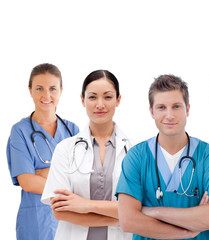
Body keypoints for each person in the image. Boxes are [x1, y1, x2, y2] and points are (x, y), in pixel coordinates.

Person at [116, 74, 209, 240]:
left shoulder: (208, 156)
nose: (169, 115)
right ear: (151, 112)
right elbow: (128, 220)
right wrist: (186, 231)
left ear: (188, 109)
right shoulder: (136, 157)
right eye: (161, 107)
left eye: (176, 106)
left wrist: (153, 211)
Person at [41, 70, 133, 240]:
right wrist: (120, 218)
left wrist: (85, 205)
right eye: (92, 97)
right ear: (82, 100)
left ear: (118, 100)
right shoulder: (65, 150)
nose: (100, 104)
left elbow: (139, 209)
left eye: (107, 97)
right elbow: (60, 212)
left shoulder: (135, 152)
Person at [6, 63, 79, 240]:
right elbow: (27, 182)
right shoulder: (20, 131)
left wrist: (42, 174)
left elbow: (82, 179)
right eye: (39, 88)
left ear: (61, 90)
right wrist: (63, 176)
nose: (46, 95)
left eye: (52, 88)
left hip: (71, 221)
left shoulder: (72, 130)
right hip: (35, 223)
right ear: (30, 90)